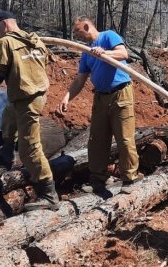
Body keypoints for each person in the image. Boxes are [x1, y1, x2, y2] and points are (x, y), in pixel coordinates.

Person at [0, 10, 59, 212]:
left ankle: (49, 194)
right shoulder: (35, 40)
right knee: (8, 115)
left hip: (28, 99)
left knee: (30, 148)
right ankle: (6, 152)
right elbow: (42, 64)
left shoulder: (6, 43)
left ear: (4, 24)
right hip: (32, 95)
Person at [58, 17, 140, 196]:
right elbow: (80, 79)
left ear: (87, 27)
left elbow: (123, 54)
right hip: (101, 98)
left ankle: (129, 179)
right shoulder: (86, 52)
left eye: (78, 31)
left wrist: (104, 53)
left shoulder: (108, 36)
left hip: (121, 94)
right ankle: (98, 179)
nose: (77, 36)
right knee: (97, 140)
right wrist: (67, 97)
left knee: (125, 139)